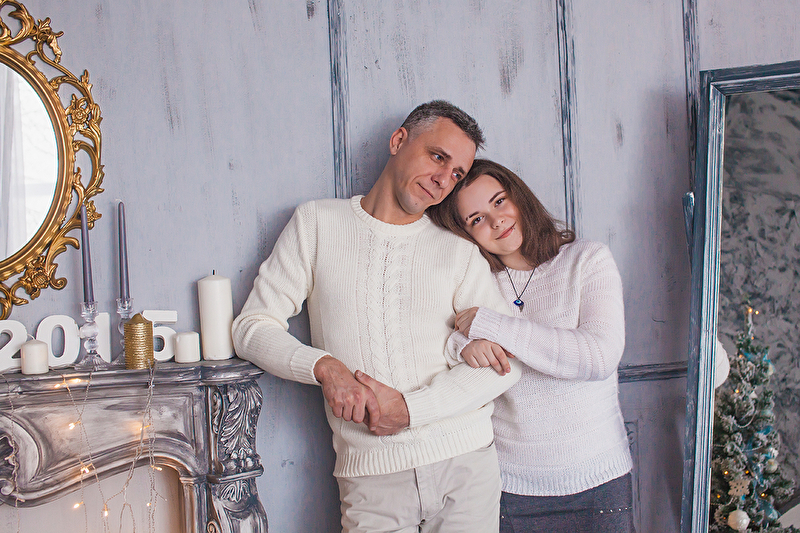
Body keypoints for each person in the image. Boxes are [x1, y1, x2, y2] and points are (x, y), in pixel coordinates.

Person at [232, 102, 521, 533]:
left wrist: (408, 410)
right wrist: (325, 367)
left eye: (457, 173)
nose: (444, 179)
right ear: (399, 140)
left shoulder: (458, 251)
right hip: (372, 481)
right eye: (437, 157)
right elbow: (252, 327)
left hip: (467, 471)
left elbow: (506, 363)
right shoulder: (316, 224)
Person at [428, 158, 635, 532]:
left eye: (499, 201)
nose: (496, 221)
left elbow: (598, 356)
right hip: (513, 489)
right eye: (476, 219)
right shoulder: (474, 285)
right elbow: (440, 346)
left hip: (600, 482)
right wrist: (461, 347)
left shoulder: (587, 260)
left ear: (518, 196)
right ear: (465, 234)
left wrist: (491, 325)